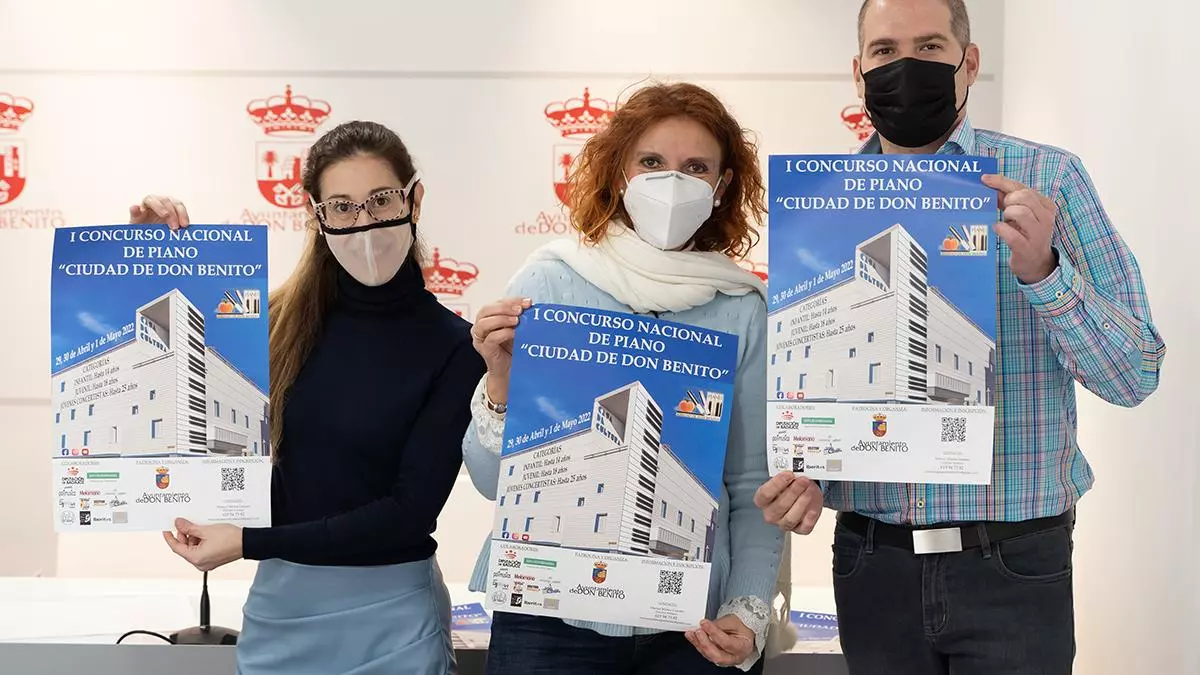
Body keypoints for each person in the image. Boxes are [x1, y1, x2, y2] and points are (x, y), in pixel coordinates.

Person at [753, 1, 1166, 674]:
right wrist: (809, 474)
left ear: (969, 63)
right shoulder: (821, 206)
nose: (905, 66)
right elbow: (825, 381)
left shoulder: (1047, 180)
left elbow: (1135, 373)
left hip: (1013, 564)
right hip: (871, 562)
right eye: (884, 51)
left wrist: (1045, 273)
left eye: (930, 46)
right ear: (858, 73)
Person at [464, 82, 790, 674]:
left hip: (691, 625)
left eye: (696, 168)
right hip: (549, 619)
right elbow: (491, 483)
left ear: (721, 187)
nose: (673, 182)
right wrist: (499, 382)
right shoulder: (548, 284)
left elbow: (751, 484)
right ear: (619, 174)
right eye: (652, 162)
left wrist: (748, 609)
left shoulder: (741, 307)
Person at [139, 120, 484, 674]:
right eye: (342, 207)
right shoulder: (274, 323)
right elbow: (164, 374)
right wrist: (148, 257)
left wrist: (248, 542)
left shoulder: (457, 347)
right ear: (316, 215)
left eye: (381, 200)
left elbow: (407, 513)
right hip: (281, 615)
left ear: (414, 199)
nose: (365, 223)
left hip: (392, 623)